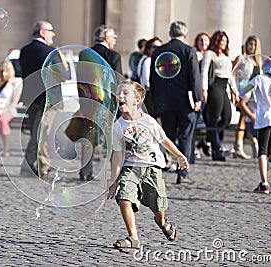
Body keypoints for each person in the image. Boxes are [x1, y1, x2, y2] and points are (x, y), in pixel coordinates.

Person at [107, 80, 189, 248]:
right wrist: (113, 180)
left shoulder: (149, 121)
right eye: (118, 94)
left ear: (137, 100)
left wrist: (179, 155)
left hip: (151, 167)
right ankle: (133, 238)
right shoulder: (118, 126)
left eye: (125, 93)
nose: (120, 96)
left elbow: (164, 140)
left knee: (157, 205)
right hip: (130, 167)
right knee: (123, 197)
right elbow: (117, 155)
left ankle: (162, 222)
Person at [150, 21, 202, 184]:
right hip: (185, 101)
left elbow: (153, 79)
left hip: (165, 101)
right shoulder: (188, 50)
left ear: (169, 33)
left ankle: (162, 165)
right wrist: (198, 98)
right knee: (185, 135)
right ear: (185, 35)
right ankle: (182, 172)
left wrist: (156, 99)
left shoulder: (159, 51)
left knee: (168, 135)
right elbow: (195, 77)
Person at [76, 24, 123, 180]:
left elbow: (80, 81)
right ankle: (114, 173)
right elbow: (117, 82)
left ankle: (85, 172)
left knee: (88, 137)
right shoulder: (114, 56)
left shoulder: (84, 54)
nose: (115, 40)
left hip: (88, 102)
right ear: (106, 38)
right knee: (111, 139)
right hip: (108, 104)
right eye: (114, 37)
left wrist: (80, 102)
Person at [19, 20, 56, 175]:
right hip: (47, 99)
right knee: (41, 133)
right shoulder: (50, 51)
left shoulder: (24, 50)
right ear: (42, 32)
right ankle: (27, 165)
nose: (53, 34)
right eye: (51, 30)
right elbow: (63, 74)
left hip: (30, 97)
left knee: (41, 131)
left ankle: (44, 165)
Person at [201, 30, 237, 161]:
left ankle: (207, 140)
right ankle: (216, 149)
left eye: (225, 42)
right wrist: (204, 90)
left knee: (227, 118)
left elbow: (230, 75)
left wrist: (234, 92)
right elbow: (204, 72)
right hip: (214, 86)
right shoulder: (210, 54)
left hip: (224, 86)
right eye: (221, 41)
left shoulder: (226, 56)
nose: (223, 44)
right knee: (213, 119)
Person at [242, 61, 271, 193]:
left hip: (263, 119)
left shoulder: (259, 79)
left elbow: (243, 91)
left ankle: (264, 183)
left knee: (262, 150)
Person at [232, 36, 262, 159]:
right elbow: (232, 73)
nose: (252, 47)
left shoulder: (257, 61)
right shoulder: (242, 58)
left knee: (245, 119)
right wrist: (234, 91)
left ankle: (243, 143)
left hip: (253, 94)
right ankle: (243, 144)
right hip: (243, 92)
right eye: (250, 44)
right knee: (244, 118)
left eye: (254, 45)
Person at [193, 32, 211, 160]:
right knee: (197, 119)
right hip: (198, 90)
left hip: (211, 91)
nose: (203, 43)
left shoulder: (210, 55)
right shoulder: (195, 54)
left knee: (207, 119)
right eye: (201, 40)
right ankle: (195, 145)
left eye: (206, 41)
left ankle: (203, 142)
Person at [136, 36, 162, 116]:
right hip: (149, 96)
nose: (157, 49)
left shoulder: (144, 59)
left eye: (160, 47)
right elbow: (147, 81)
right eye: (154, 47)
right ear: (148, 48)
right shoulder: (148, 60)